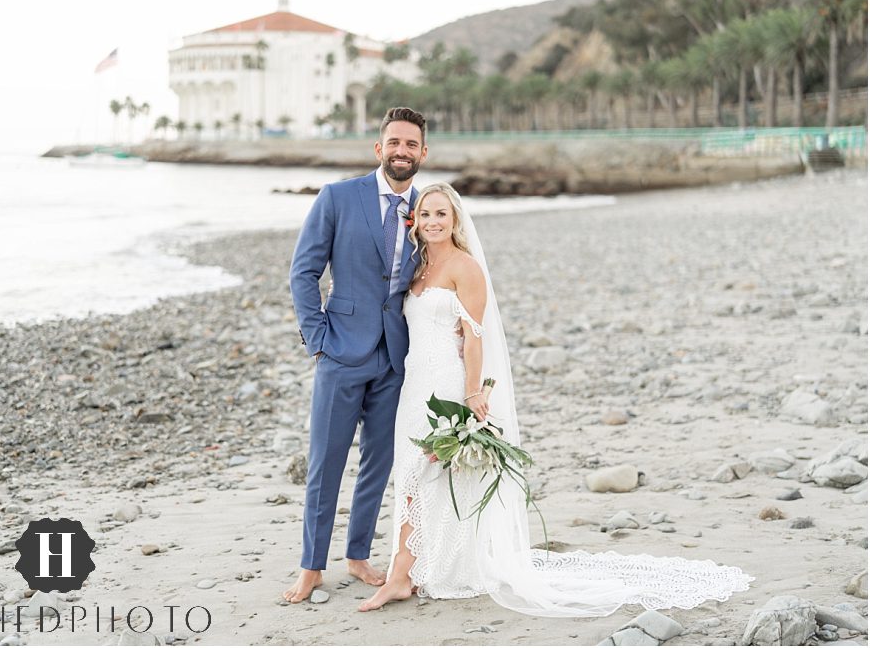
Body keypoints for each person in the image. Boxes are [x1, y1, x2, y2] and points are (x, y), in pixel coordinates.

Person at [359, 182, 754, 615]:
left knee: (425, 470)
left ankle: (401, 573)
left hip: (447, 384)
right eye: (427, 215)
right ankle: (429, 566)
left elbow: (474, 338)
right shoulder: (416, 271)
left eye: (442, 215)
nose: (434, 222)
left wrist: (473, 393)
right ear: (415, 222)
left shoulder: (464, 267)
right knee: (416, 475)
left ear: (454, 221)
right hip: (415, 383)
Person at [284, 107, 428, 603]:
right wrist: (317, 337)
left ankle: (359, 554)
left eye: (411, 144)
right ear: (378, 148)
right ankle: (311, 565)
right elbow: (303, 272)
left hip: (395, 356)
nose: (401, 151)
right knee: (325, 462)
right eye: (394, 143)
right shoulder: (338, 197)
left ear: (423, 153)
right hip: (341, 351)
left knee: (378, 463)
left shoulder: (426, 209)